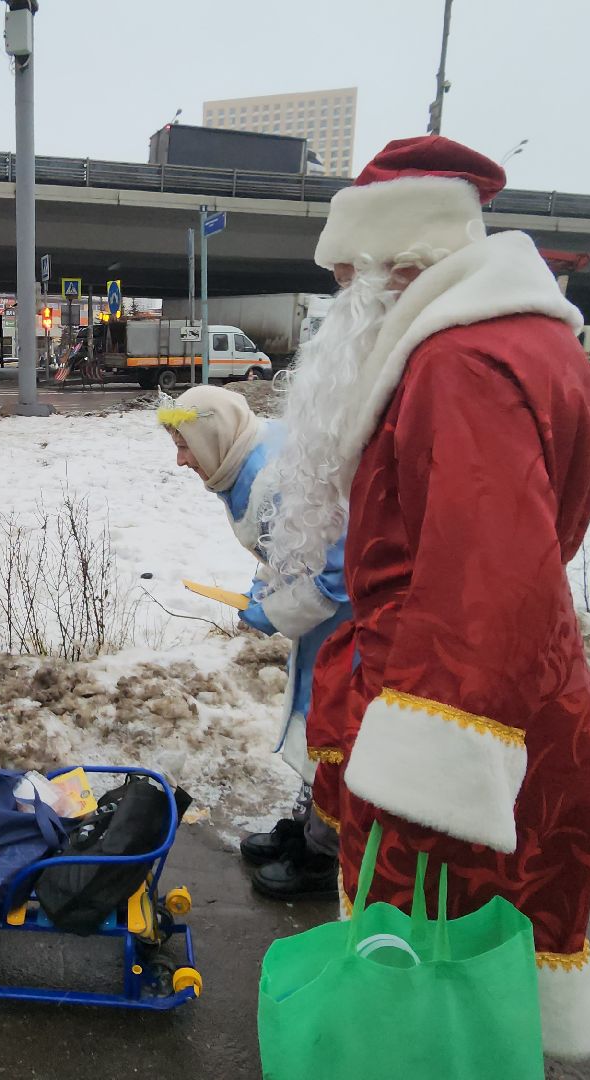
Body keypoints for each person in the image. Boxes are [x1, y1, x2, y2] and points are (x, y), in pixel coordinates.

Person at [269, 136, 590, 1060]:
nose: (340, 298)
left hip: (452, 727)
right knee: (479, 964)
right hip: (506, 696)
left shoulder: (457, 366)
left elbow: (484, 587)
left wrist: (418, 773)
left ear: (393, 266)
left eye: (345, 278)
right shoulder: (522, 337)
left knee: (430, 961)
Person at [157, 385, 351, 901]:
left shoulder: (274, 478)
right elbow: (288, 550)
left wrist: (273, 611)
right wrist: (263, 591)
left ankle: (324, 854)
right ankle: (310, 824)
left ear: (214, 438)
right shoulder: (243, 461)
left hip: (351, 629)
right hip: (327, 628)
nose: (180, 461)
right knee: (315, 721)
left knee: (332, 729)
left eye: (185, 446)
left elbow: (335, 573)